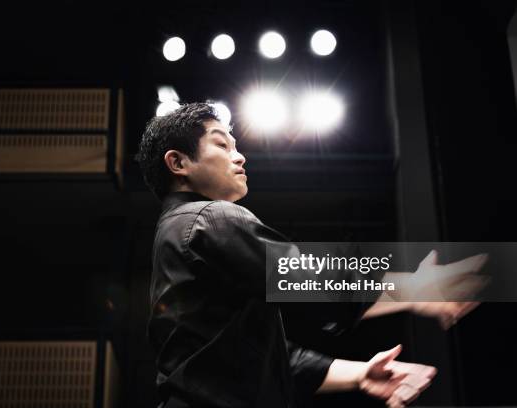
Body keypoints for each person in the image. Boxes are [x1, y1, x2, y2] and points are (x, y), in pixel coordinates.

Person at [136, 103, 481, 408]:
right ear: (178, 162)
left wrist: (360, 374)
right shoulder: (208, 218)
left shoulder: (174, 235)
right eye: (222, 144)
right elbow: (308, 279)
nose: (239, 156)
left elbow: (264, 359)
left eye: (236, 146)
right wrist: (414, 289)